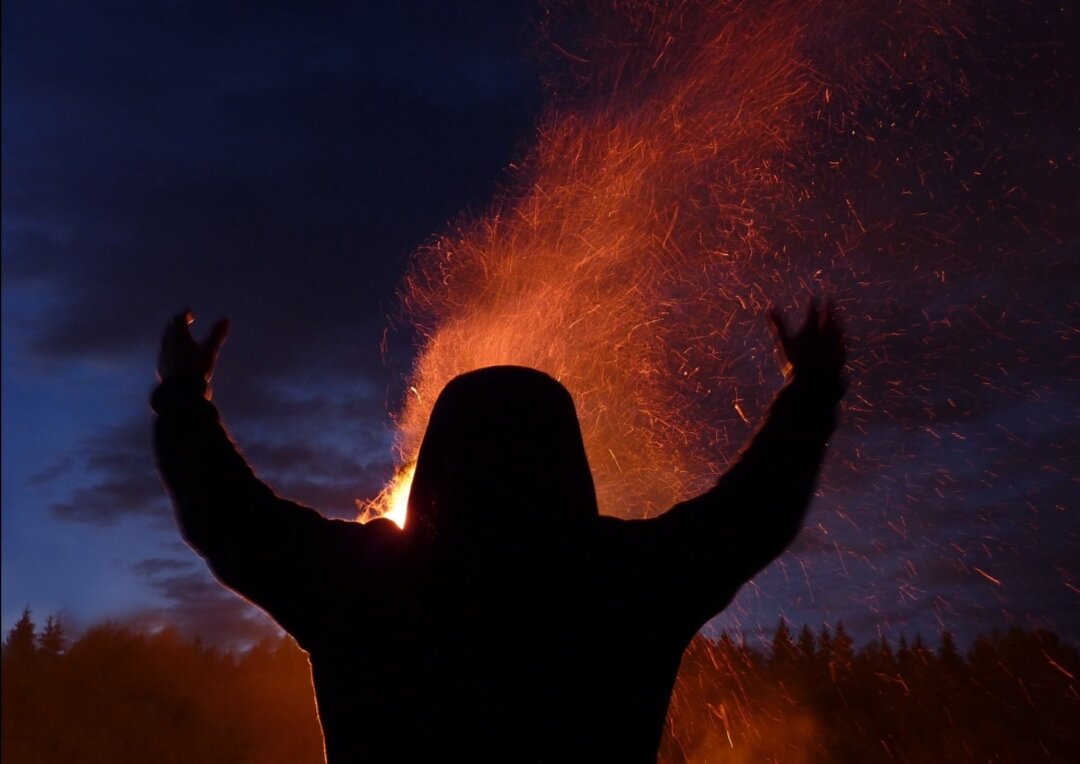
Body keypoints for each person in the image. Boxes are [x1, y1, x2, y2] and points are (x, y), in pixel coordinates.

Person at [152, 302, 845, 763]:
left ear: (444, 456)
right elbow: (756, 513)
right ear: (564, 458)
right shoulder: (627, 580)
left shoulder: (367, 584)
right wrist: (811, 388)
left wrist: (185, 392)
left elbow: (228, 519)